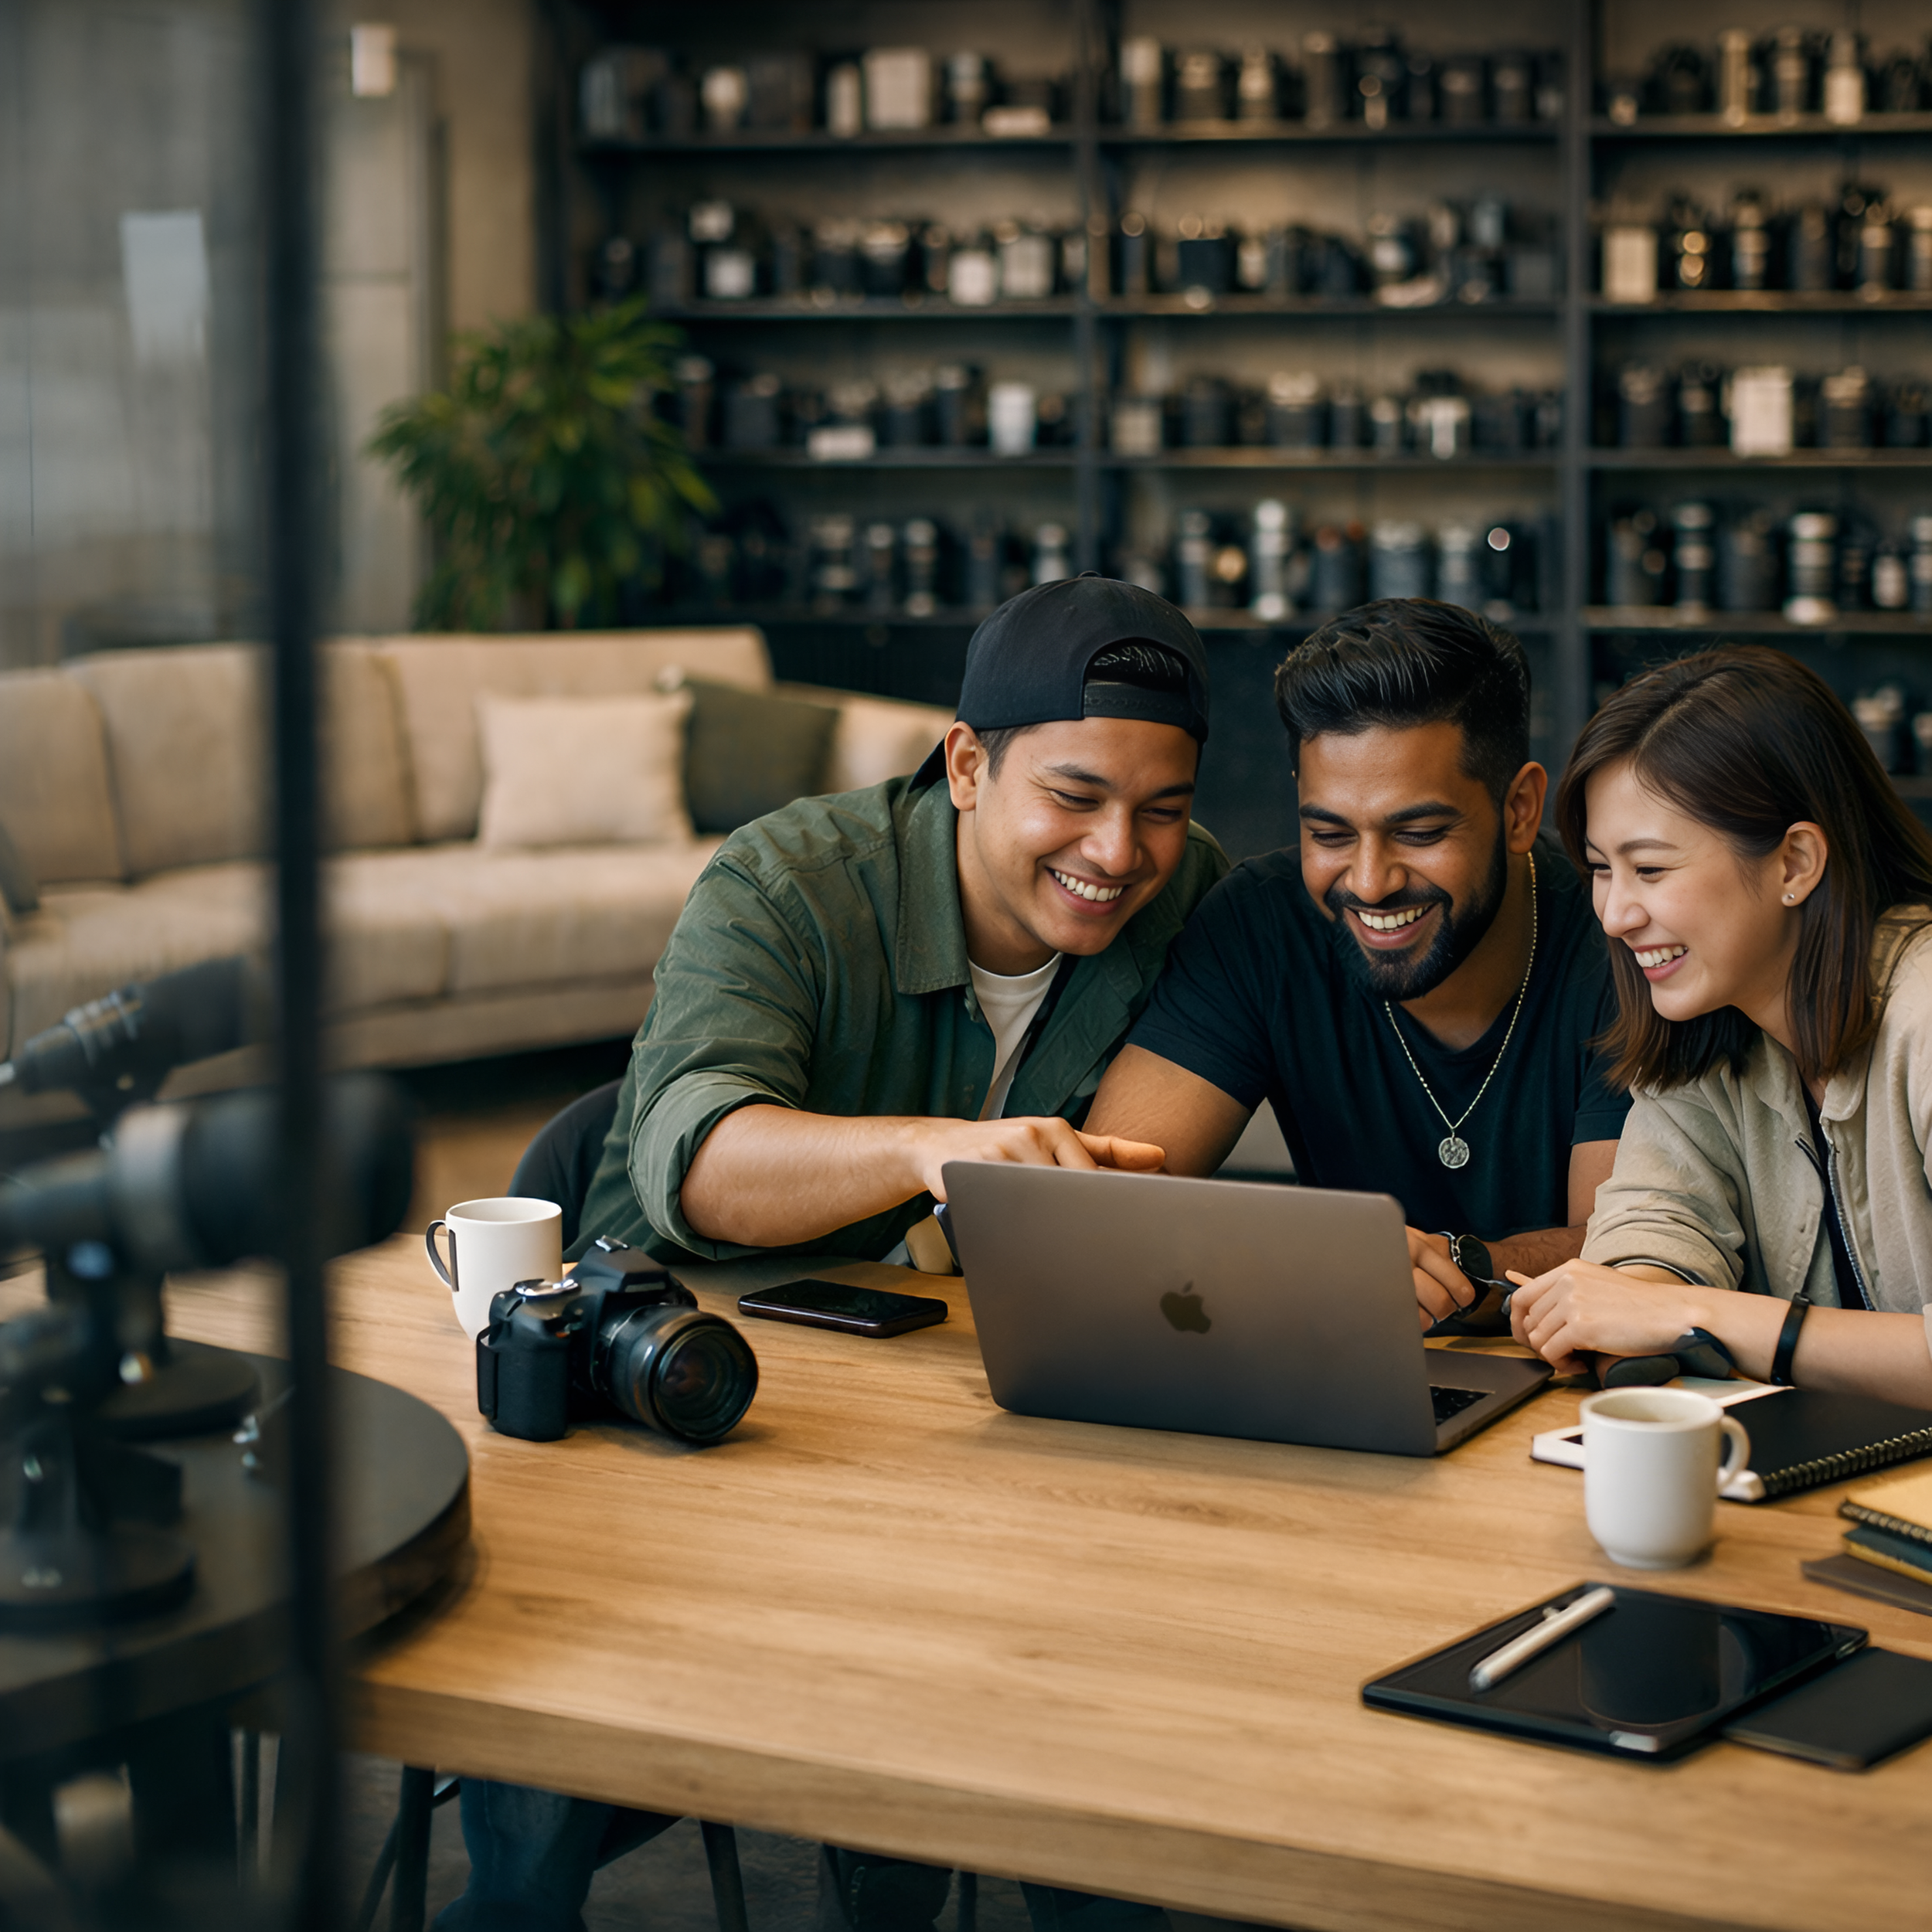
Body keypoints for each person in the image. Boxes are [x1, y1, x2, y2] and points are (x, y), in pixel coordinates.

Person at [437, 573, 1229, 1932]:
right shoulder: (784, 883)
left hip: (963, 1415)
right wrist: (929, 1153)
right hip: (696, 1392)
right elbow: (697, 1157)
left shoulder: (1194, 894)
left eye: (1163, 808)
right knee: (543, 1793)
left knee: (1120, 1716)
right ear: (968, 764)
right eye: (1078, 797)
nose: (1122, 850)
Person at [1086, 598, 1629, 1328]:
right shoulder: (1259, 923)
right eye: (1330, 833)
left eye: (1421, 830)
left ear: (1521, 809)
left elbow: (1623, 1251)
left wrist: (1455, 1266)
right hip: (1327, 1365)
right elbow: (1105, 1205)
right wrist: (1323, 1260)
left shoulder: (1620, 946)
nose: (1370, 882)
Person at [1505, 646, 1932, 1406]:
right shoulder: (1707, 1026)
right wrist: (1626, 1303)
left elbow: (1677, 1310)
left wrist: (1693, 1314)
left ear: (1795, 863)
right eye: (1601, 868)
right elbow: (1651, 1229)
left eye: (1651, 868)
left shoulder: (1922, 1013)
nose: (1613, 913)